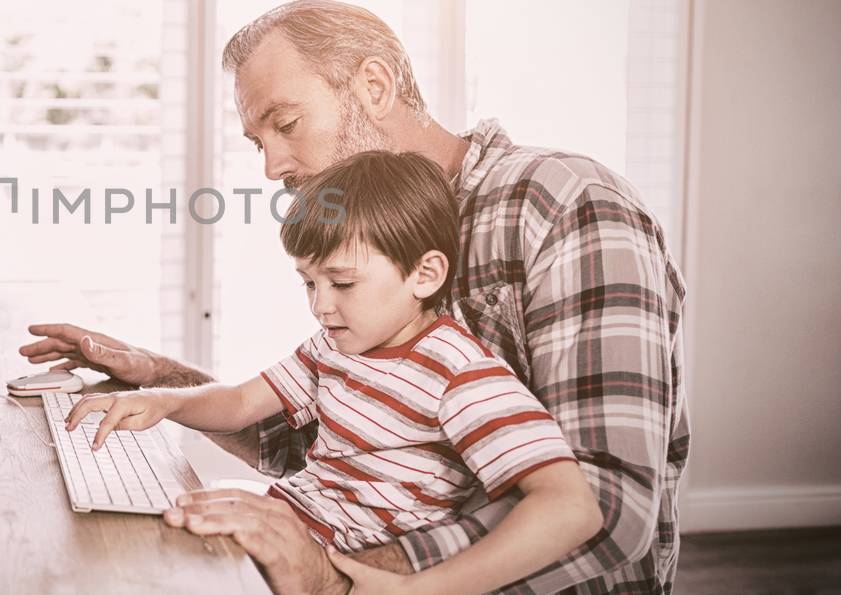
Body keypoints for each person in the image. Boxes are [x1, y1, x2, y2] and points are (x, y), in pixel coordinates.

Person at [21, 0, 688, 594]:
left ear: (373, 85)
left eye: (286, 123)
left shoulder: (564, 203)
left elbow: (609, 504)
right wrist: (159, 381)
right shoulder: (364, 239)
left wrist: (348, 574)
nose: (271, 166)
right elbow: (332, 444)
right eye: (258, 141)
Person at [64, 150, 604, 595]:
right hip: (286, 529)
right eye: (308, 283)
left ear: (425, 274)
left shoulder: (461, 375)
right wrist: (164, 402)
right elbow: (240, 404)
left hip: (336, 570)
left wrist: (425, 590)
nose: (320, 307)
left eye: (342, 284)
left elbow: (572, 509)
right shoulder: (337, 346)